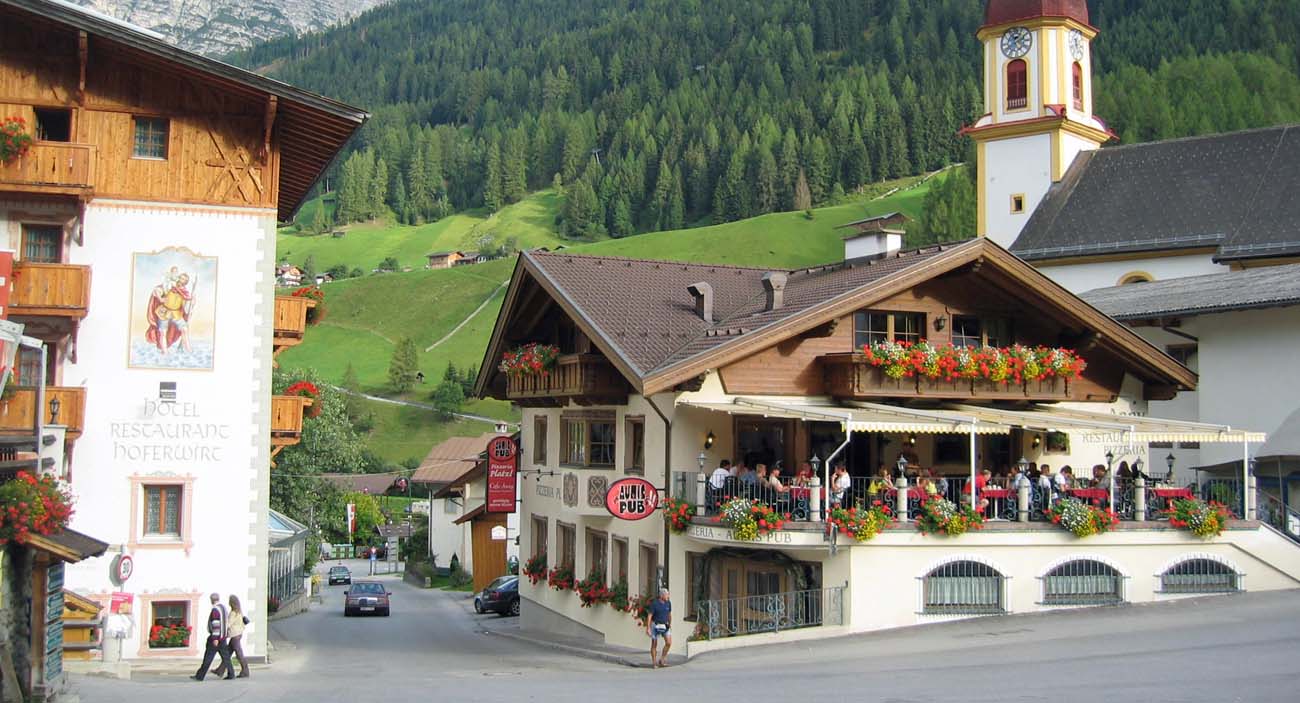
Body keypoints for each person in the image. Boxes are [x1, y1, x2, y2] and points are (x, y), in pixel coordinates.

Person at [191, 593, 233, 681]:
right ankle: (231, 673)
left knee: (208, 657)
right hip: (223, 637)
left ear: (211, 600)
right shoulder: (224, 608)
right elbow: (226, 622)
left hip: (216, 637)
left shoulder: (215, 610)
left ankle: (200, 676)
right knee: (226, 657)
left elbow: (216, 624)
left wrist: (215, 638)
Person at [213, 595, 250, 679]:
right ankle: (220, 670)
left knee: (238, 653)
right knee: (228, 653)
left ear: (232, 603)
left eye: (229, 601)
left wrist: (221, 626)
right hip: (238, 633)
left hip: (234, 635)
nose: (228, 602)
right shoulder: (239, 611)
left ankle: (245, 670)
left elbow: (228, 624)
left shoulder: (233, 613)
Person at [647, 588, 672, 668]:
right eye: (667, 595)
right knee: (654, 644)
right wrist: (648, 628)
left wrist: (670, 623)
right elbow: (650, 616)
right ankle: (654, 663)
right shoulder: (654, 604)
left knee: (668, 643)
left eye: (668, 594)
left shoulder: (668, 603)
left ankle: (662, 659)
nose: (668, 596)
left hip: (665, 625)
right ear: (662, 596)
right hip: (655, 625)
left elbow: (669, 614)